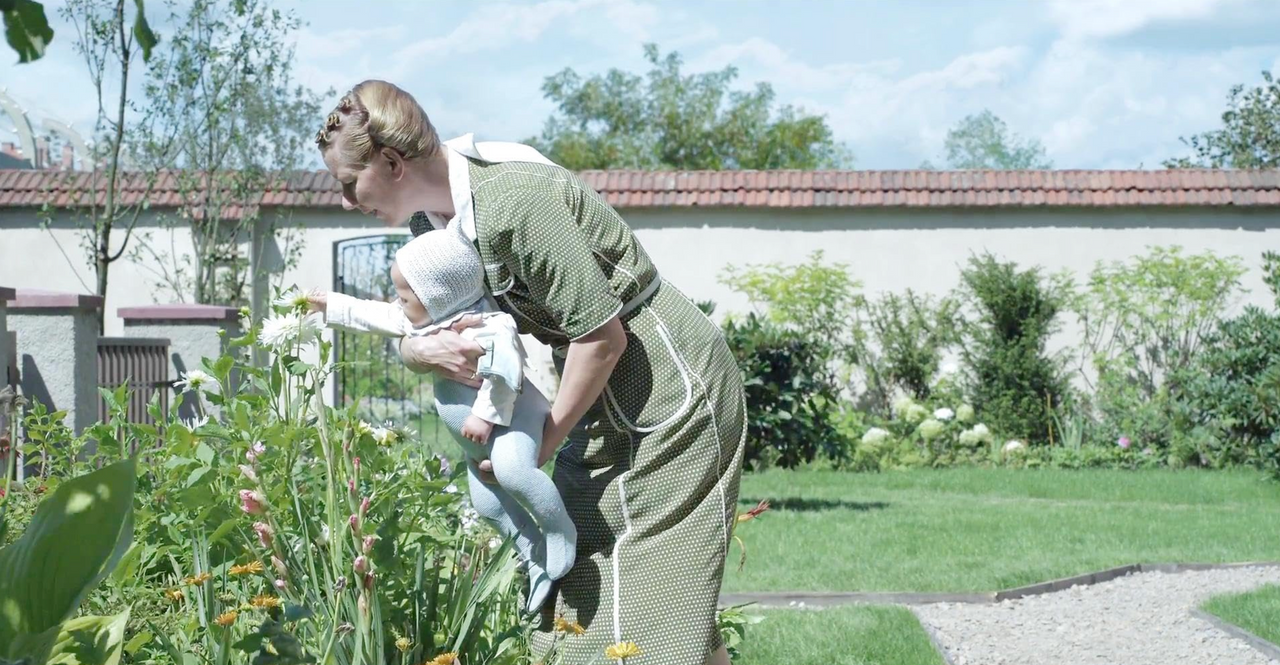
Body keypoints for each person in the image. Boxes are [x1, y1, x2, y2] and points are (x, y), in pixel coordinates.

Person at [315, 79, 746, 665]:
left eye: (349, 182)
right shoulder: (431, 228)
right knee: (599, 586)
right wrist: (419, 353)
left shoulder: (515, 202)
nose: (346, 201)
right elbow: (427, 325)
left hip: (668, 386)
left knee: (642, 597)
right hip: (598, 391)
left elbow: (602, 338)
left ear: (392, 162)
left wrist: (542, 444)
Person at [305, 223, 576, 614]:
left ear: (436, 295)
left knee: (515, 472)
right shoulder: (427, 321)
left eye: (404, 296)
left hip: (512, 420)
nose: (398, 304)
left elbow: (506, 374)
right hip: (476, 443)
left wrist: (483, 417)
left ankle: (558, 531)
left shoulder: (489, 326)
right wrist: (328, 305)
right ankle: (532, 552)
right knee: (487, 505)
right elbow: (375, 313)